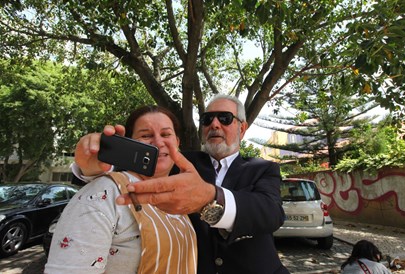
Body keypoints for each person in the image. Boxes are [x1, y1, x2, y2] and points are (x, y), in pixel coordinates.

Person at [73, 94, 288, 273]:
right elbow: (130, 173)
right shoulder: (177, 162)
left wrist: (209, 197)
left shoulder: (263, 169)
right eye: (207, 119)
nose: (215, 124)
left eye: (224, 118)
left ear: (242, 129)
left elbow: (270, 213)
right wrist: (91, 165)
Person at [45, 106, 197, 274]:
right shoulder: (105, 192)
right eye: (146, 135)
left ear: (177, 142)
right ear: (130, 143)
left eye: (166, 134)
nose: (158, 142)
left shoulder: (181, 196)